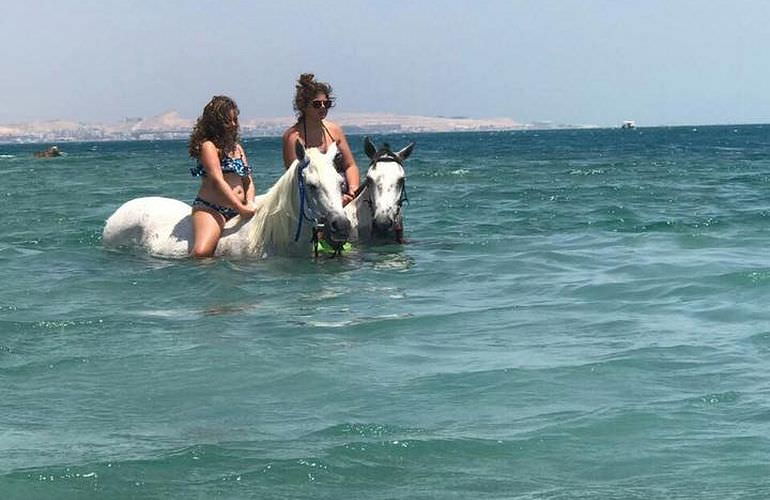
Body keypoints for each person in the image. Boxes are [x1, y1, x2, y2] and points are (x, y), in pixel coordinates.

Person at [188, 95, 255, 258]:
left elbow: (248, 180)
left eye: (235, 120)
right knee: (202, 252)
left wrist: (250, 202)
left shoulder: (237, 148)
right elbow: (217, 180)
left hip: (240, 207)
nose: (233, 125)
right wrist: (240, 208)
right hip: (212, 209)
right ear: (215, 124)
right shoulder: (208, 147)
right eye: (227, 121)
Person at [282, 73, 360, 206]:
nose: (323, 107)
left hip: (346, 196)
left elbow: (350, 165)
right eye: (317, 104)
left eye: (327, 103)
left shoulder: (334, 130)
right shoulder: (293, 137)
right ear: (304, 106)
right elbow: (296, 178)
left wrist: (353, 190)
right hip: (316, 201)